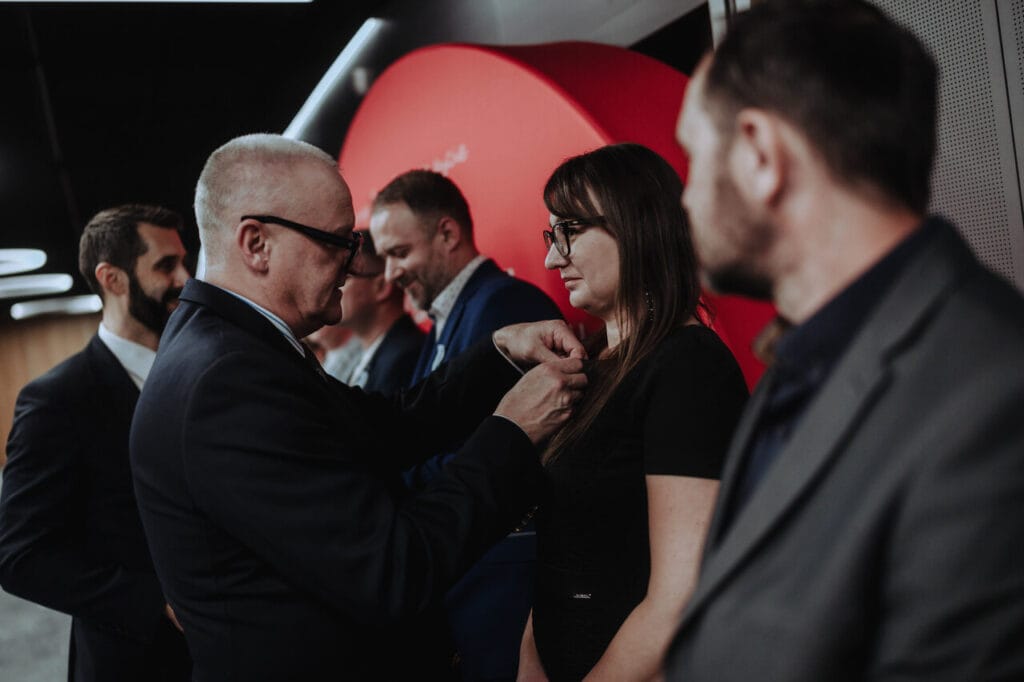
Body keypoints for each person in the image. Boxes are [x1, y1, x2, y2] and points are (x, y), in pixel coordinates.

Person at [128, 133, 588, 681]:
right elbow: (391, 572)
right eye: (338, 243)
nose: (354, 266)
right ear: (256, 243)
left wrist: (497, 351)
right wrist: (513, 429)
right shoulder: (227, 378)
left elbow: (389, 424)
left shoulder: (232, 346)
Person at [665, 2, 1024, 680]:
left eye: (693, 155)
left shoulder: (993, 402)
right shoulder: (800, 356)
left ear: (760, 155)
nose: (685, 198)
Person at [514, 144, 748, 682]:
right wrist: (530, 660)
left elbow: (681, 595)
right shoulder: (589, 361)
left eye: (570, 230)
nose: (552, 259)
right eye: (552, 236)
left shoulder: (689, 367)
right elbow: (562, 550)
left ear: (636, 226)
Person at [370, 169, 563, 680]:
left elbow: (506, 451)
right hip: (469, 581)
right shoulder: (447, 320)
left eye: (399, 253)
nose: (389, 274)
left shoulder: (506, 305)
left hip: (506, 587)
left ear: (448, 233)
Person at [0, 204, 191, 681]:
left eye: (184, 262)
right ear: (112, 279)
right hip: (135, 661)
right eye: (166, 265)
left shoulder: (201, 373)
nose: (186, 279)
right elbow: (20, 556)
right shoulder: (57, 400)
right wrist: (156, 602)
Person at [338, 229, 424, 393]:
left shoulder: (406, 357)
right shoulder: (365, 355)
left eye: (346, 277)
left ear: (382, 287)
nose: (336, 285)